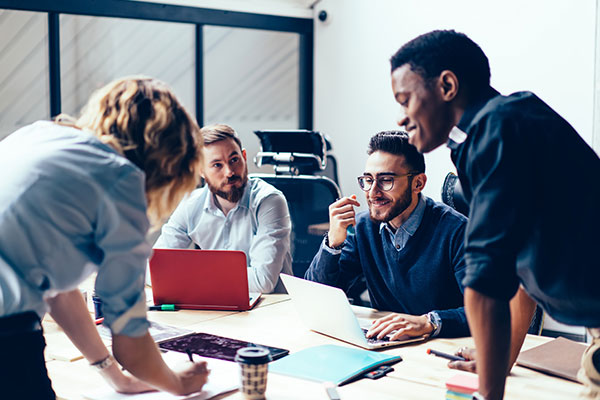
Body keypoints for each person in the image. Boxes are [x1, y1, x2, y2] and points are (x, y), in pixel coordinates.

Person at [390, 29, 600, 400]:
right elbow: (516, 269)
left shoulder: (498, 130)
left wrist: (488, 395)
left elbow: (484, 283)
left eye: (406, 100)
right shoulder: (491, 132)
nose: (402, 119)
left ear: (448, 85)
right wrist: (500, 362)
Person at [0, 77, 210, 399]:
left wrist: (118, 379)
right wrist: (178, 384)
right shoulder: (122, 179)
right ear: (168, 161)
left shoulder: (39, 136)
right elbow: (130, 339)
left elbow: (59, 291)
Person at [305, 131, 469, 339]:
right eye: (368, 180)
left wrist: (429, 322)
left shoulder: (457, 232)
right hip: (385, 343)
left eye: (386, 180)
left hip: (443, 348)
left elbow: (486, 311)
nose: (373, 192)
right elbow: (318, 299)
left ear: (418, 183)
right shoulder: (364, 228)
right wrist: (333, 243)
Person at [154, 124, 292, 294]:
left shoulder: (269, 201)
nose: (229, 172)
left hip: (269, 309)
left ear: (244, 156)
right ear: (201, 171)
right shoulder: (191, 205)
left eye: (234, 160)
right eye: (217, 165)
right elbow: (154, 270)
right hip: (216, 307)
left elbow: (262, 281)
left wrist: (192, 275)